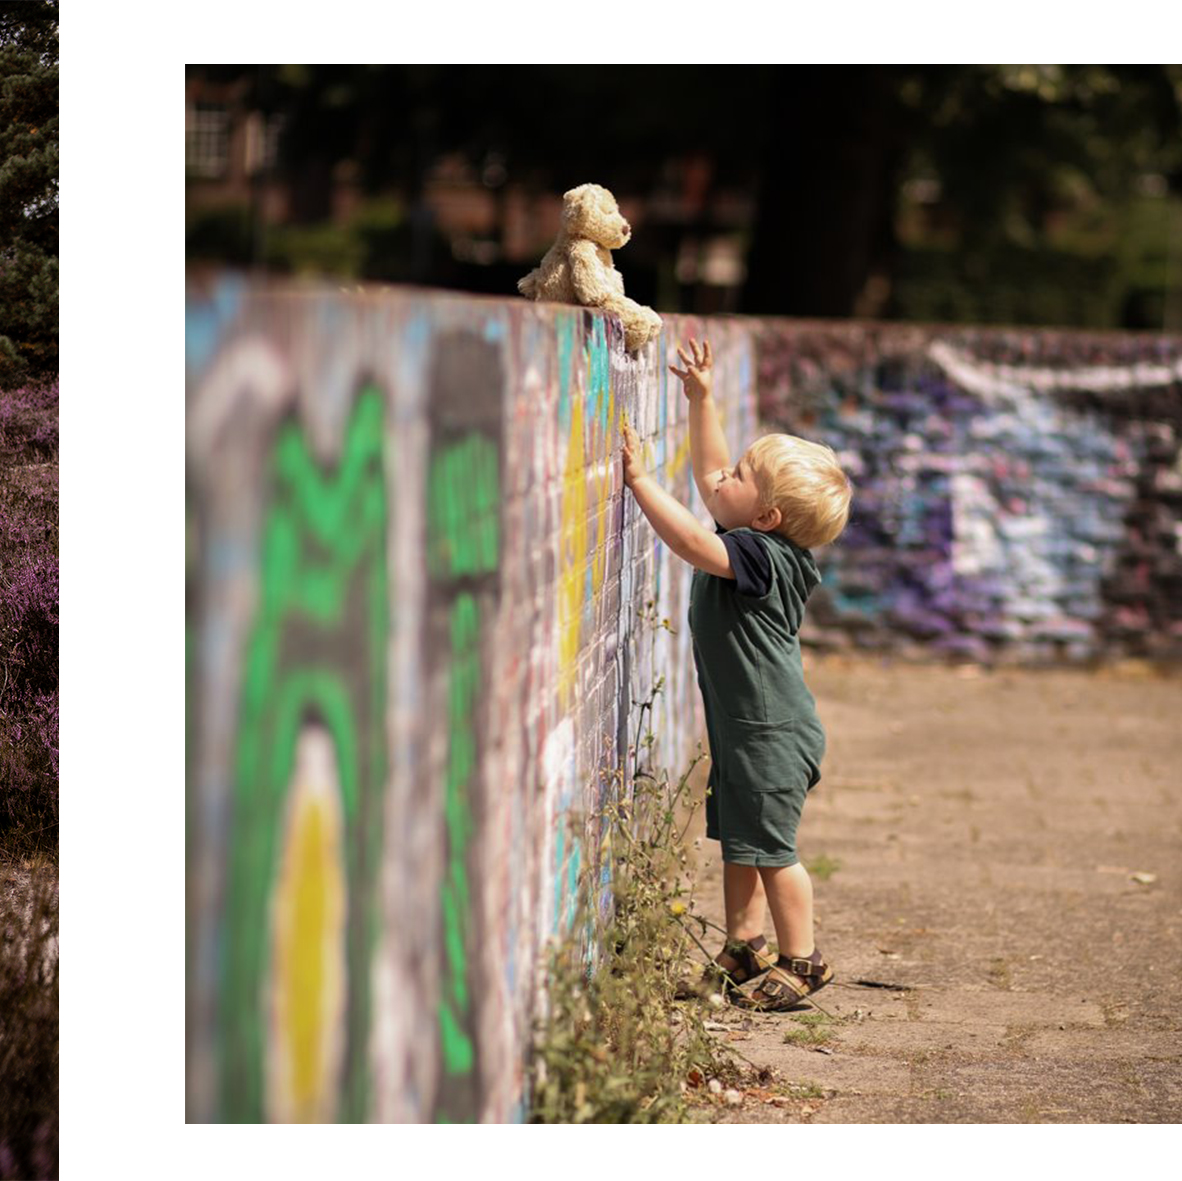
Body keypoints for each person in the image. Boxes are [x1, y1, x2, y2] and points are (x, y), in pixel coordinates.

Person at [620, 337, 852, 1011]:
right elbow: (714, 468)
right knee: (741, 842)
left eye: (737, 481)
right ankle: (745, 944)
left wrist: (640, 483)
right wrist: (701, 400)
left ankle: (802, 958)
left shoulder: (758, 555)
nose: (719, 481)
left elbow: (693, 539)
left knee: (773, 850)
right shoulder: (754, 531)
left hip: (771, 731)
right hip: (749, 726)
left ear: (766, 518)